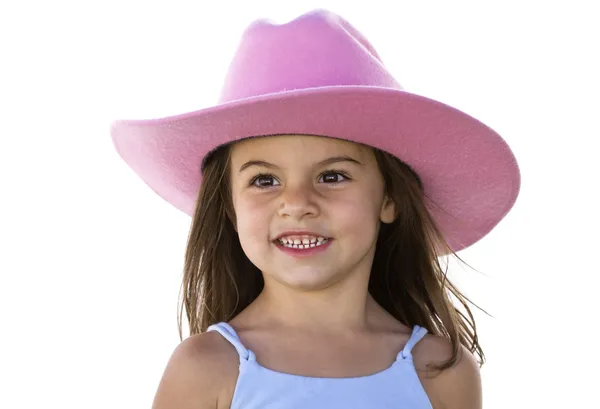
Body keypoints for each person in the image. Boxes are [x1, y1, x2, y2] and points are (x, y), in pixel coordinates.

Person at [111, 8, 520, 409]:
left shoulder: (441, 372)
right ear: (230, 209)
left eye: (332, 176)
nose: (297, 204)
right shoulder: (206, 369)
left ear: (389, 198)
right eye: (264, 181)